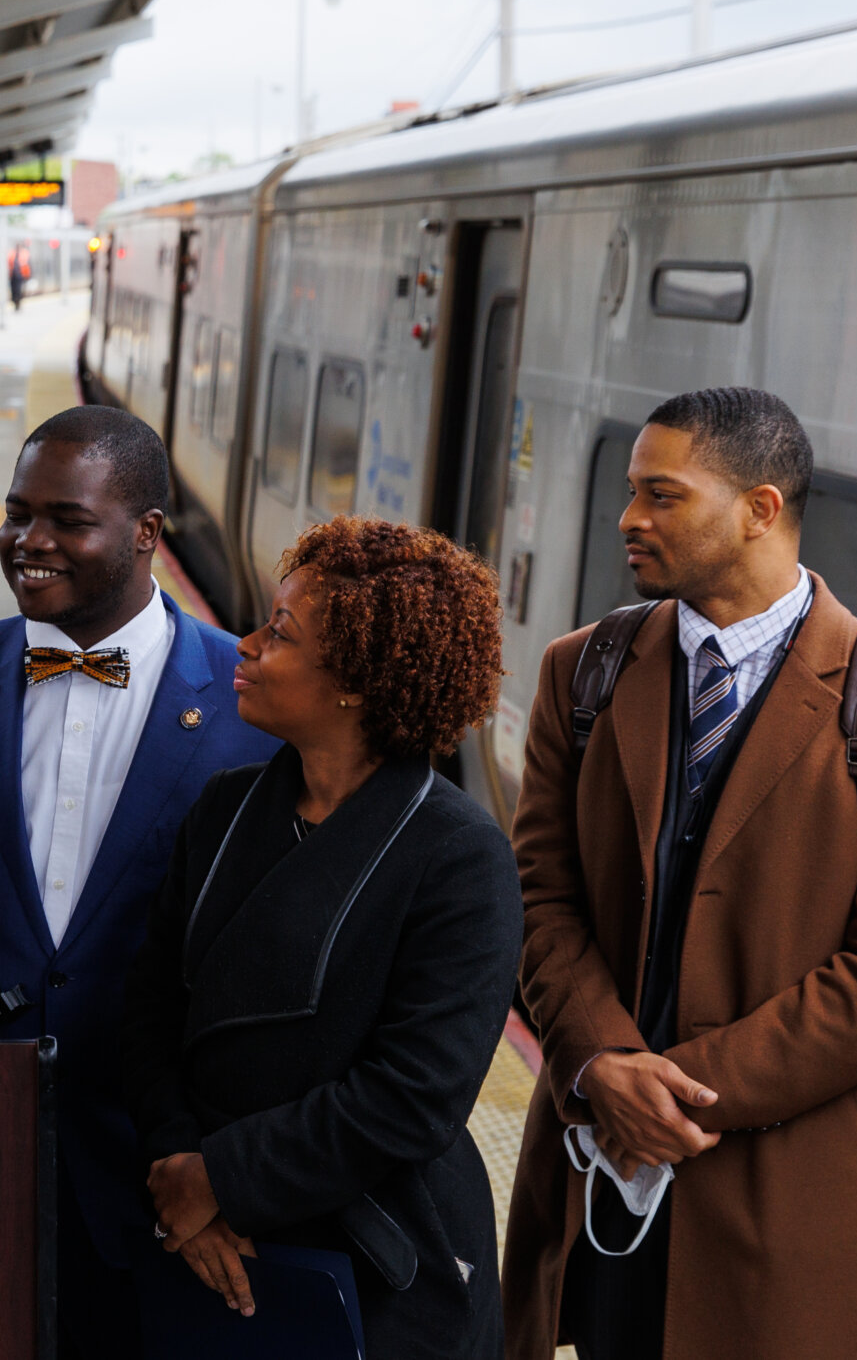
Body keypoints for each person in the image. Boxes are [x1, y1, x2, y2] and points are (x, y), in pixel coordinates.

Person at [502, 388, 857, 1360]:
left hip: (803, 1222)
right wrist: (597, 1064)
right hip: (605, 1193)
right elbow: (535, 898)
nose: (630, 518)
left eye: (662, 495)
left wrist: (665, 1094)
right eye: (631, 492)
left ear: (761, 509)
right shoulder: (580, 676)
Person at [0, 406, 271, 1358]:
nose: (29, 541)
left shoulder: (246, 704)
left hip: (159, 1169)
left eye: (67, 518)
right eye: (18, 512)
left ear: (147, 533)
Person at [123, 518, 519, 1358]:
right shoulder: (226, 810)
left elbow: (414, 1094)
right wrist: (177, 1172)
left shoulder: (458, 853)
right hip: (209, 1241)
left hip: (382, 1265)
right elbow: (151, 1010)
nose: (249, 642)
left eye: (281, 632)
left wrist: (222, 1177)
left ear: (356, 682)